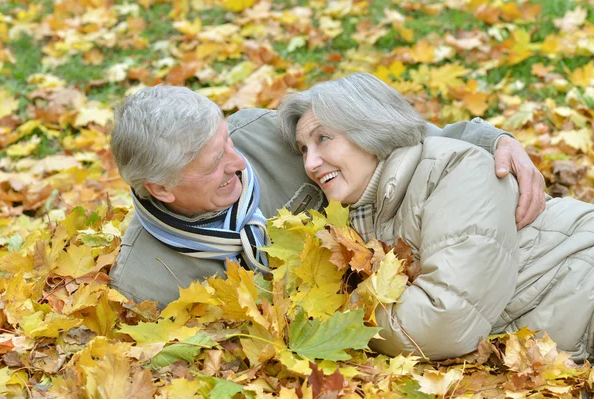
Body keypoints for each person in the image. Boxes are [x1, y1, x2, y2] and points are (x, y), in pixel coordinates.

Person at [109, 85, 546, 310]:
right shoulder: (145, 281)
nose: (237, 163)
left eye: (227, 142)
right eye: (212, 164)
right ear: (160, 188)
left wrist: (488, 139)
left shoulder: (261, 132)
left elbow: (387, 137)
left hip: (443, 267)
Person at [277, 72, 594, 362]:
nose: (311, 163)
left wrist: (334, 312)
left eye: (323, 139)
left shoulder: (454, 170)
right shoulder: (358, 216)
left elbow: (442, 325)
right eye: (304, 149)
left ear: (369, 130)